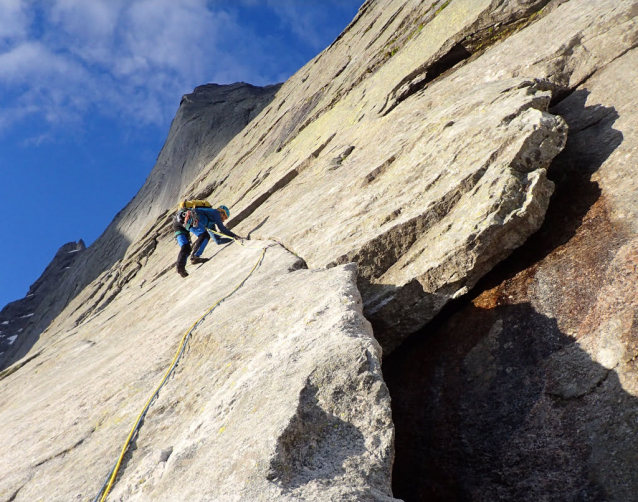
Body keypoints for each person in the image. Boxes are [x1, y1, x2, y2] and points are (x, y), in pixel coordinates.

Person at [173, 204, 240, 277]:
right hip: (188, 217)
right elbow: (222, 229)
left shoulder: (210, 224)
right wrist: (235, 236)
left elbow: (218, 241)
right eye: (225, 217)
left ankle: (181, 269)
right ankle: (195, 256)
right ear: (222, 212)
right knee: (204, 235)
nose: (223, 220)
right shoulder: (215, 212)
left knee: (186, 247)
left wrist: (232, 239)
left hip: (178, 221)